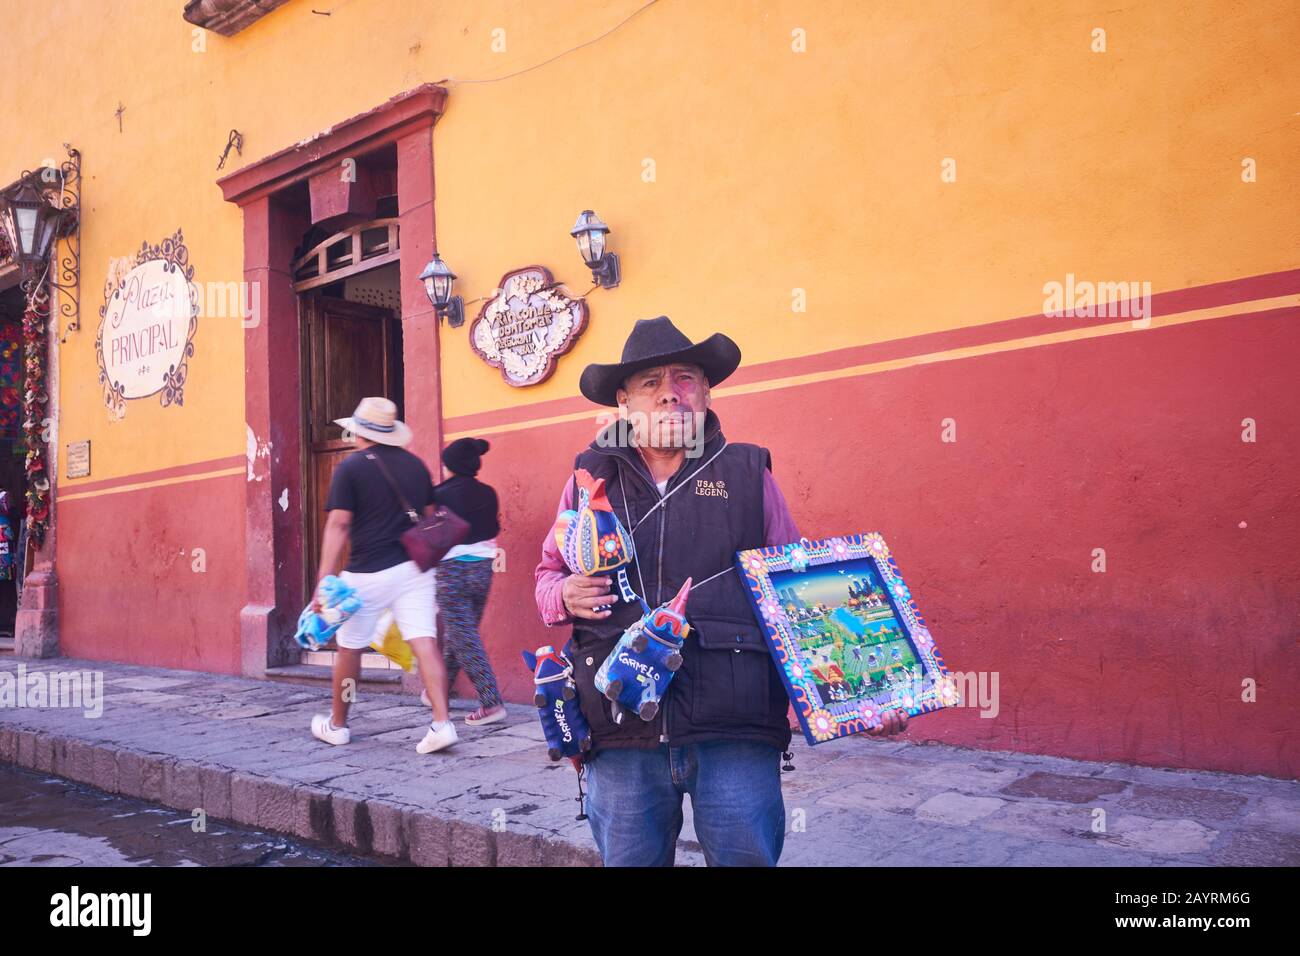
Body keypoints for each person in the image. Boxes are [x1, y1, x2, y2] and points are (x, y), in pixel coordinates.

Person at [535, 316, 908, 867]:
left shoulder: (747, 471)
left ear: (706, 391)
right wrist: (563, 593)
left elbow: (799, 590)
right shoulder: (587, 480)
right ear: (624, 401)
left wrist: (868, 688)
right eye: (650, 383)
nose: (669, 394)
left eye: (684, 378)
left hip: (735, 727)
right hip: (618, 732)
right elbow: (546, 576)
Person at [309, 396, 457, 755]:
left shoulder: (350, 468)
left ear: (360, 431)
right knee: (424, 641)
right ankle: (442, 723)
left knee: (349, 648)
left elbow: (339, 523)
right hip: (413, 569)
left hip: (366, 571)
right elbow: (428, 516)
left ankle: (338, 724)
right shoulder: (417, 467)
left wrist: (324, 579)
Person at [431, 437, 506, 726]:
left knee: (463, 635)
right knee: (462, 632)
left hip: (451, 571)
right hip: (483, 569)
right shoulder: (489, 493)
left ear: (450, 465)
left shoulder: (439, 494)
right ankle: (438, 690)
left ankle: (491, 702)